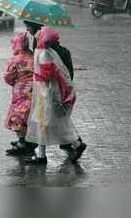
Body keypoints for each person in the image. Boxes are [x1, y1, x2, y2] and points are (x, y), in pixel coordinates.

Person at [25, 27, 86, 164]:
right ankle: (42, 154)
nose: (36, 34)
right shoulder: (47, 52)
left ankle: (75, 144)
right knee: (46, 122)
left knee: (49, 122)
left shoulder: (44, 54)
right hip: (44, 93)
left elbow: (47, 75)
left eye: (39, 34)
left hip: (46, 94)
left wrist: (37, 78)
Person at [3, 32, 35, 156]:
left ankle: (23, 142)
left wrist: (14, 82)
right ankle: (29, 141)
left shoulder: (15, 59)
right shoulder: (33, 56)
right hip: (32, 90)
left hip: (19, 92)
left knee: (17, 117)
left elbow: (8, 76)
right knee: (28, 116)